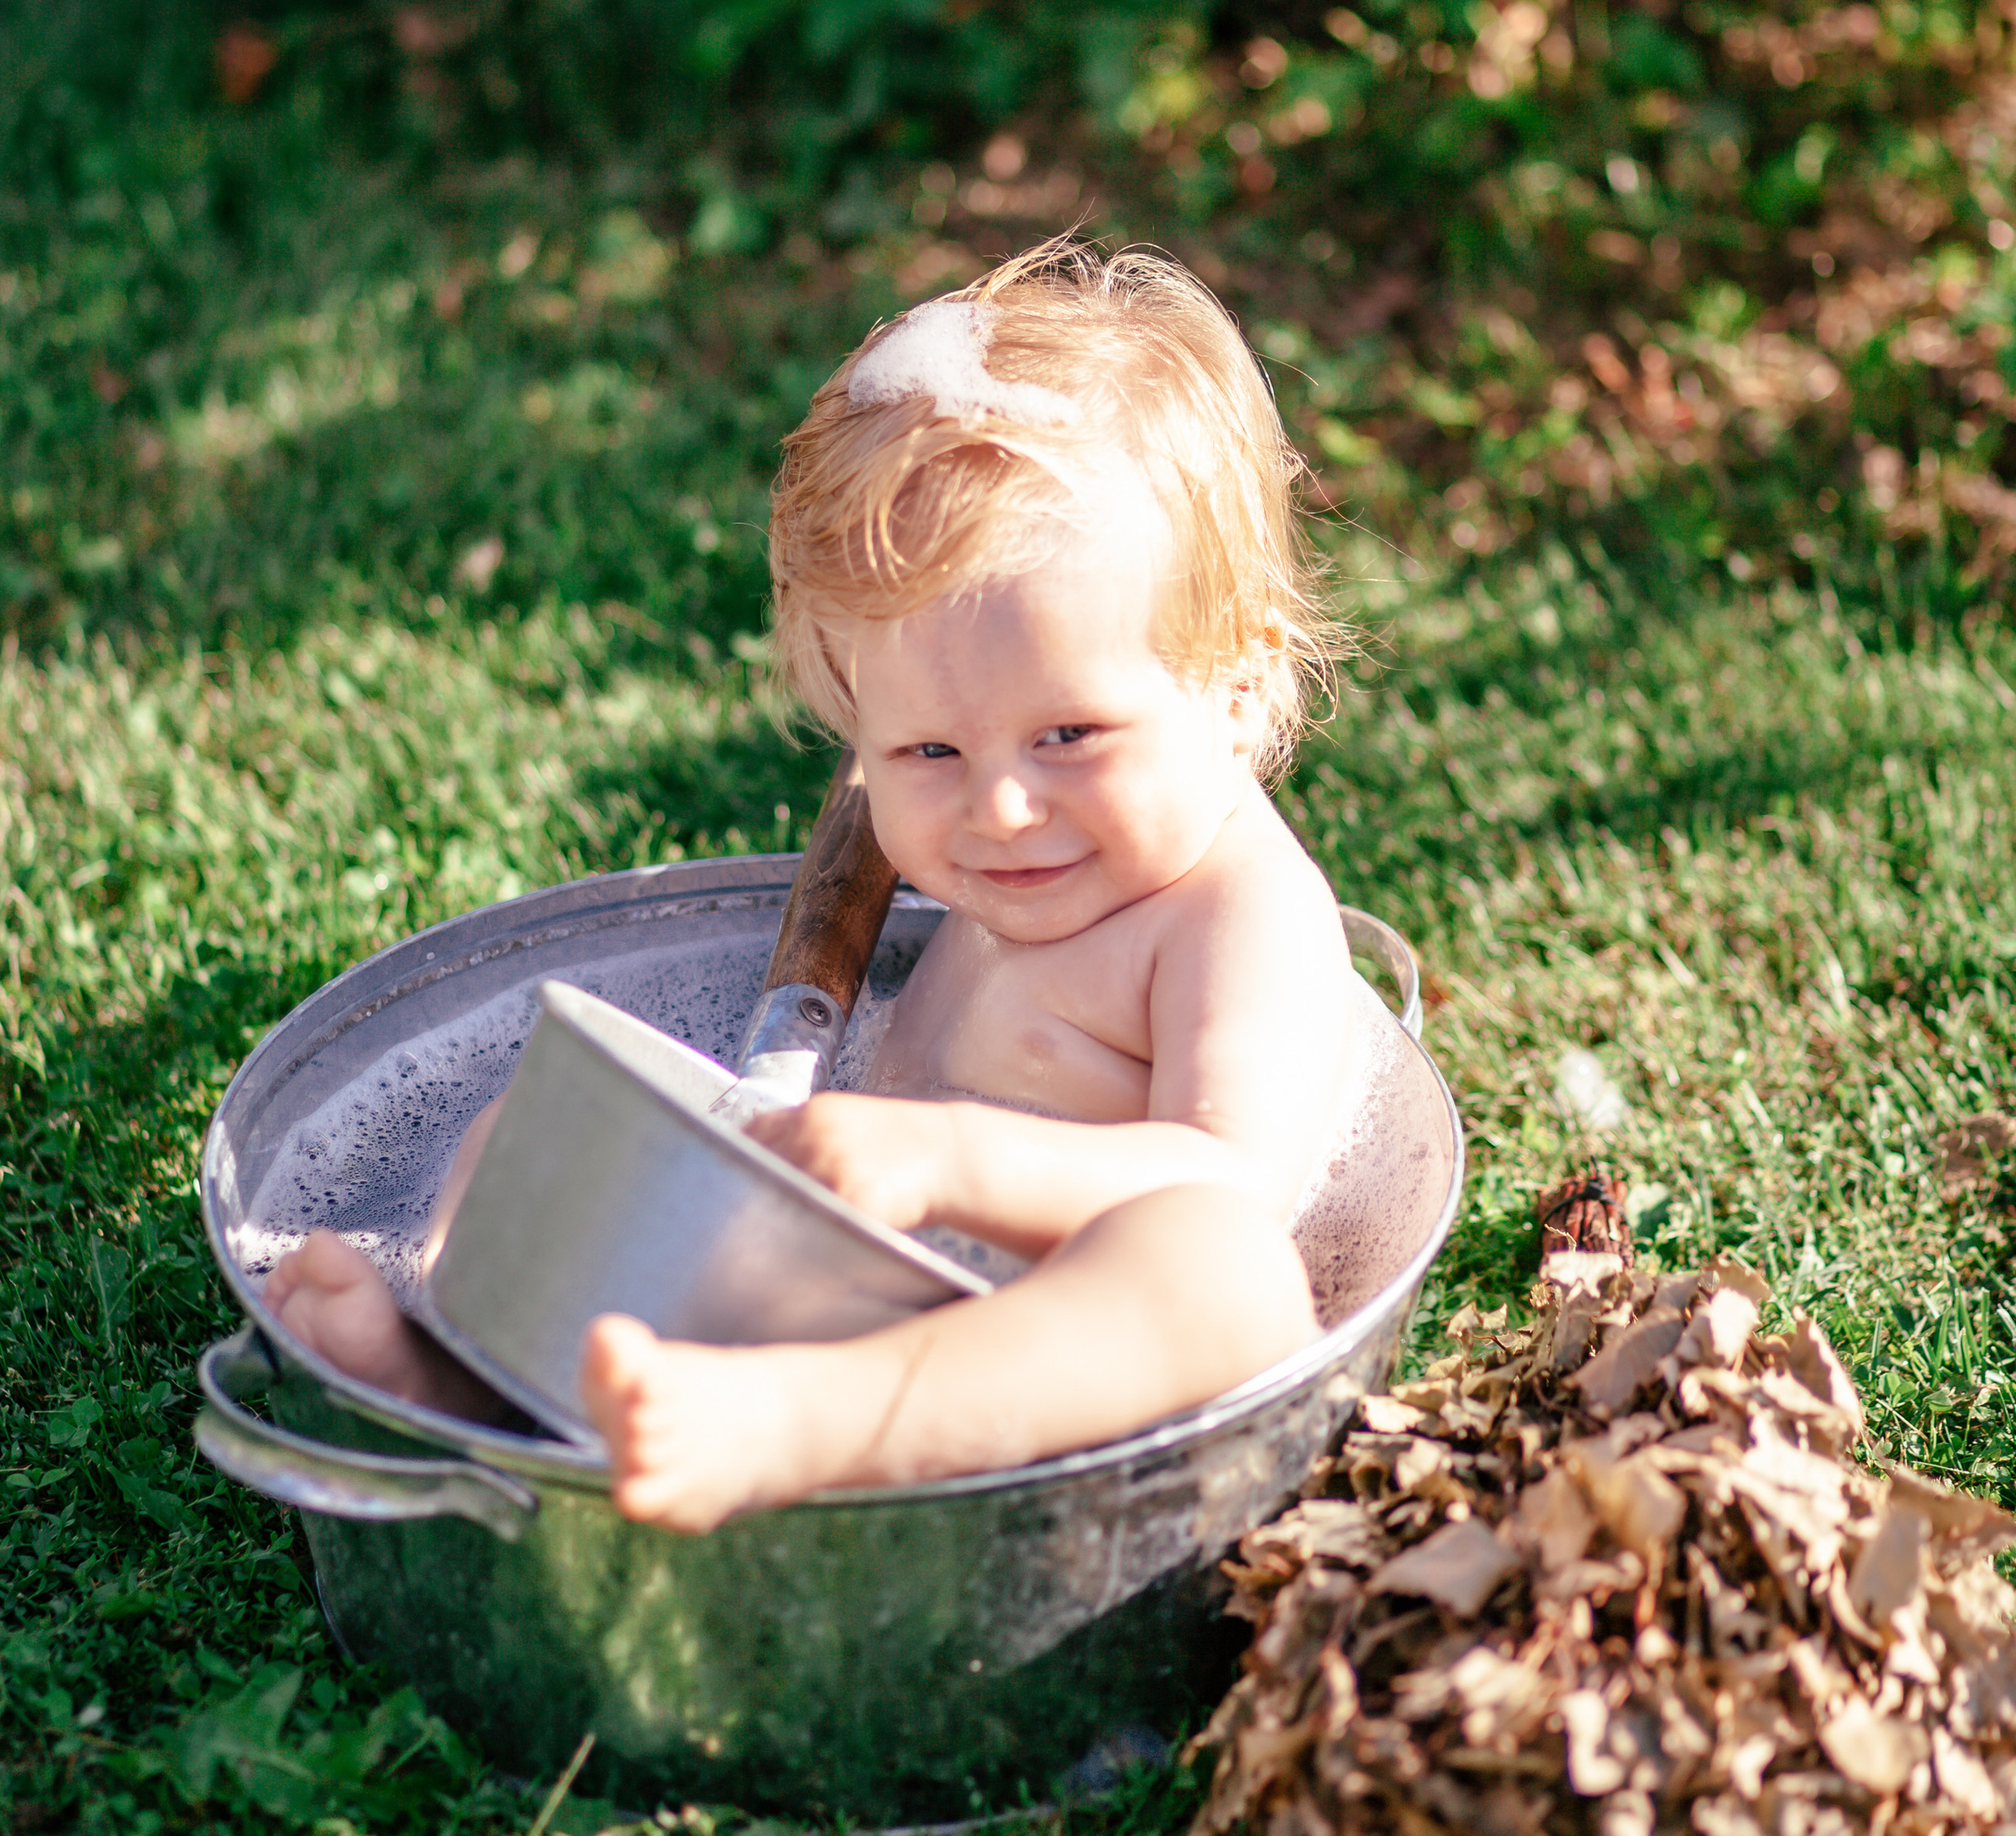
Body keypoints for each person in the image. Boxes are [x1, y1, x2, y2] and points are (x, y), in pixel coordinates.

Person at [265, 240, 1370, 1531]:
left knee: (1220, 1272)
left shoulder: (1237, 918)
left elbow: (1233, 1184)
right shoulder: (1042, 851)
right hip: (859, 1261)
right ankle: (476, 1385)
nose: (1002, 809)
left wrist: (947, 1158)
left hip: (1052, 1380)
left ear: (1238, 686)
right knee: (547, 1112)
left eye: (1069, 736)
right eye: (928, 753)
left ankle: (794, 1427)